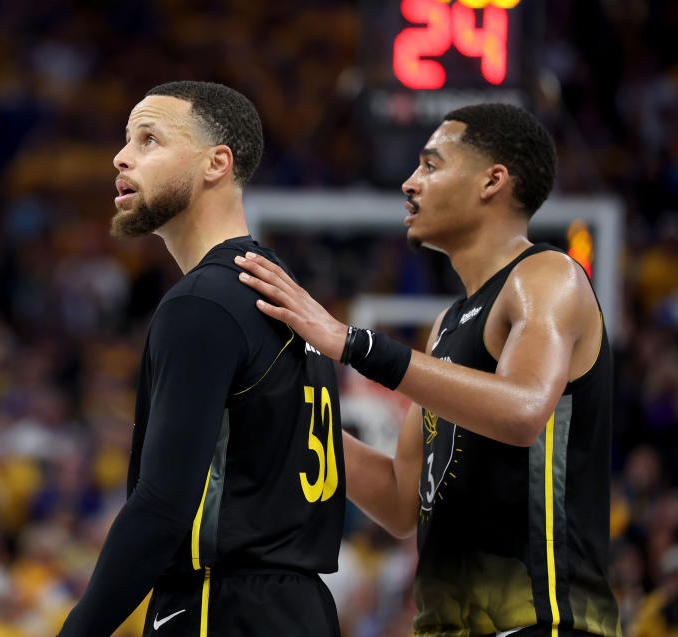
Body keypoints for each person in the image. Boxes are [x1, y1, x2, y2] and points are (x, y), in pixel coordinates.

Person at [235, 103, 622, 637]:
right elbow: (400, 499)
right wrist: (283, 418)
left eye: (431, 165)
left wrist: (351, 343)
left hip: (543, 622)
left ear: (493, 180)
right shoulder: (446, 324)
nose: (410, 182)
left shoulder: (547, 276)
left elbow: (524, 409)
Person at [58, 81, 345, 636]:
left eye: (149, 140)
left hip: (223, 605)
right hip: (303, 610)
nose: (122, 156)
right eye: (125, 140)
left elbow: (163, 508)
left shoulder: (203, 304)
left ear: (217, 164)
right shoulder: (287, 295)